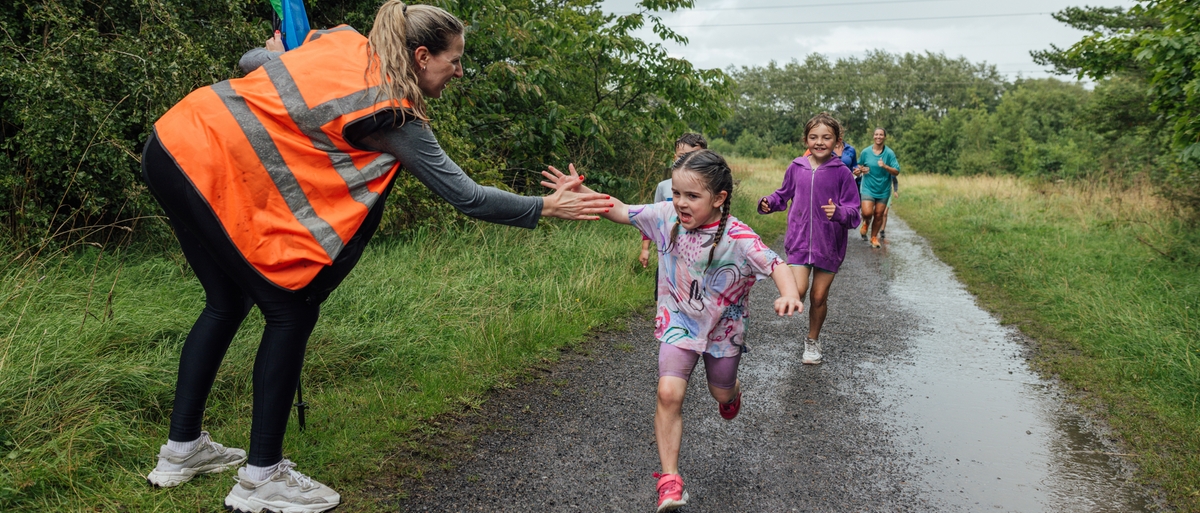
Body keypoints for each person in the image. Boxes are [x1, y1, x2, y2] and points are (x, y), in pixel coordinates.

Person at [140, 3, 612, 512]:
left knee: (227, 302)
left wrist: (275, 54)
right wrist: (548, 206)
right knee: (289, 310)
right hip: (209, 168)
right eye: (454, 61)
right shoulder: (393, 113)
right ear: (421, 54)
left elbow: (252, 59)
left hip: (171, 145)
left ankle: (181, 452)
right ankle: (262, 478)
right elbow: (467, 197)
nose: (459, 71)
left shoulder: (340, 43)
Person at [545, 150, 804, 512]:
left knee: (720, 392)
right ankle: (670, 480)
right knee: (668, 393)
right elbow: (621, 210)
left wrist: (789, 293)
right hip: (678, 322)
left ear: (719, 199)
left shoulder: (738, 235)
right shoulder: (666, 216)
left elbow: (775, 263)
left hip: (722, 329)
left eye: (692, 196)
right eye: (677, 193)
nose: (681, 202)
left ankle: (731, 395)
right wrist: (580, 197)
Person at [758, 113, 861, 365]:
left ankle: (813, 340)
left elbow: (854, 213)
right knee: (798, 290)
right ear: (806, 139)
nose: (819, 142)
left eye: (827, 137)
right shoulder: (797, 167)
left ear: (837, 142)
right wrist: (770, 202)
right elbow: (782, 194)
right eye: (814, 137)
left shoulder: (842, 173)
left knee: (818, 296)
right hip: (800, 241)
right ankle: (797, 312)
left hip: (830, 244)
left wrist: (838, 212)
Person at [638, 133, 707, 268]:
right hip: (668, 255)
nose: (687, 161)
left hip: (700, 255)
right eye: (682, 156)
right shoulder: (663, 187)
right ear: (675, 158)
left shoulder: (710, 189)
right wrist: (645, 249)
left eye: (694, 156)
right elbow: (652, 218)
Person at [855, 128, 900, 248]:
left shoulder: (889, 153)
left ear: (885, 137)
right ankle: (866, 222)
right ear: (873, 136)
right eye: (876, 134)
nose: (878, 137)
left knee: (879, 214)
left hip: (883, 190)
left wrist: (885, 166)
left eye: (881, 135)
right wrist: (861, 169)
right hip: (868, 187)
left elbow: (896, 171)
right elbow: (859, 165)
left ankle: (874, 237)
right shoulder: (865, 152)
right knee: (867, 212)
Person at [878, 175, 898, 239]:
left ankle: (882, 230)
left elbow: (895, 182)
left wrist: (895, 191)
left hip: (888, 194)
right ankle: (876, 228)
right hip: (878, 194)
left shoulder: (891, 172)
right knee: (878, 213)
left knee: (885, 213)